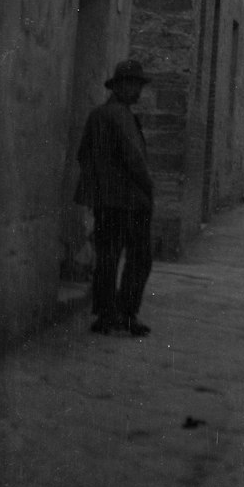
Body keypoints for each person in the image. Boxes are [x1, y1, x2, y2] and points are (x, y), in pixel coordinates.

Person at [74, 58, 155, 337]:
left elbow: (83, 154)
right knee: (140, 257)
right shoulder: (121, 116)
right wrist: (149, 188)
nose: (138, 92)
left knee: (107, 257)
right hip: (130, 202)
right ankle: (127, 313)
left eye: (139, 85)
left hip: (105, 201)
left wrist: (99, 185)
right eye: (134, 85)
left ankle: (106, 315)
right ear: (120, 86)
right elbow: (135, 161)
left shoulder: (97, 115)